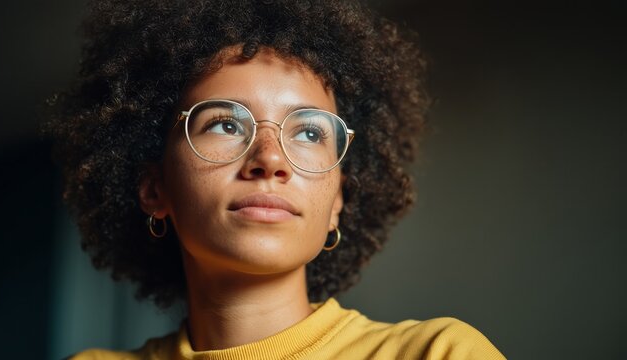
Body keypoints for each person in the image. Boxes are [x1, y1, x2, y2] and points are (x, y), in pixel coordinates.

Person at [46, 0, 506, 358]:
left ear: (337, 202)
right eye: (226, 124)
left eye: (308, 131)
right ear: (154, 189)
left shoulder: (439, 354)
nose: (270, 160)